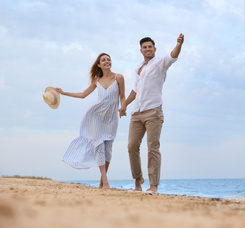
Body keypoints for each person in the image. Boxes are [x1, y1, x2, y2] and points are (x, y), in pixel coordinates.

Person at [119, 33, 184, 192]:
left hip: (153, 111)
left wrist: (179, 45)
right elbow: (135, 90)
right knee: (132, 146)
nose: (147, 49)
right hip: (137, 112)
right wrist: (124, 105)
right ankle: (138, 180)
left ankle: (153, 185)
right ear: (141, 50)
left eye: (150, 47)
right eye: (144, 47)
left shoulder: (160, 63)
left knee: (152, 147)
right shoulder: (138, 68)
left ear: (154, 49)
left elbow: (172, 56)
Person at [56, 53, 125, 189]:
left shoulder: (119, 77)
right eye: (103, 60)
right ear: (99, 65)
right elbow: (83, 95)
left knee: (108, 149)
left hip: (111, 117)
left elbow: (122, 96)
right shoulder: (97, 80)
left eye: (108, 59)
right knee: (99, 146)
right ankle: (105, 180)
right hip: (96, 116)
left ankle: (101, 180)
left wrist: (123, 107)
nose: (107, 61)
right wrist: (64, 93)